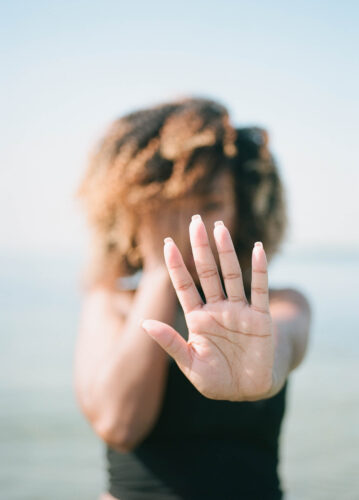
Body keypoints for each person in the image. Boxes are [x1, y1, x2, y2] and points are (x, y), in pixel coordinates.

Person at [73, 97, 312, 500]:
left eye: (209, 204)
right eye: (169, 208)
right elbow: (118, 425)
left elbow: (283, 342)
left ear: (245, 208)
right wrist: (159, 271)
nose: (189, 227)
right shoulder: (111, 302)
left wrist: (264, 368)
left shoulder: (281, 304)